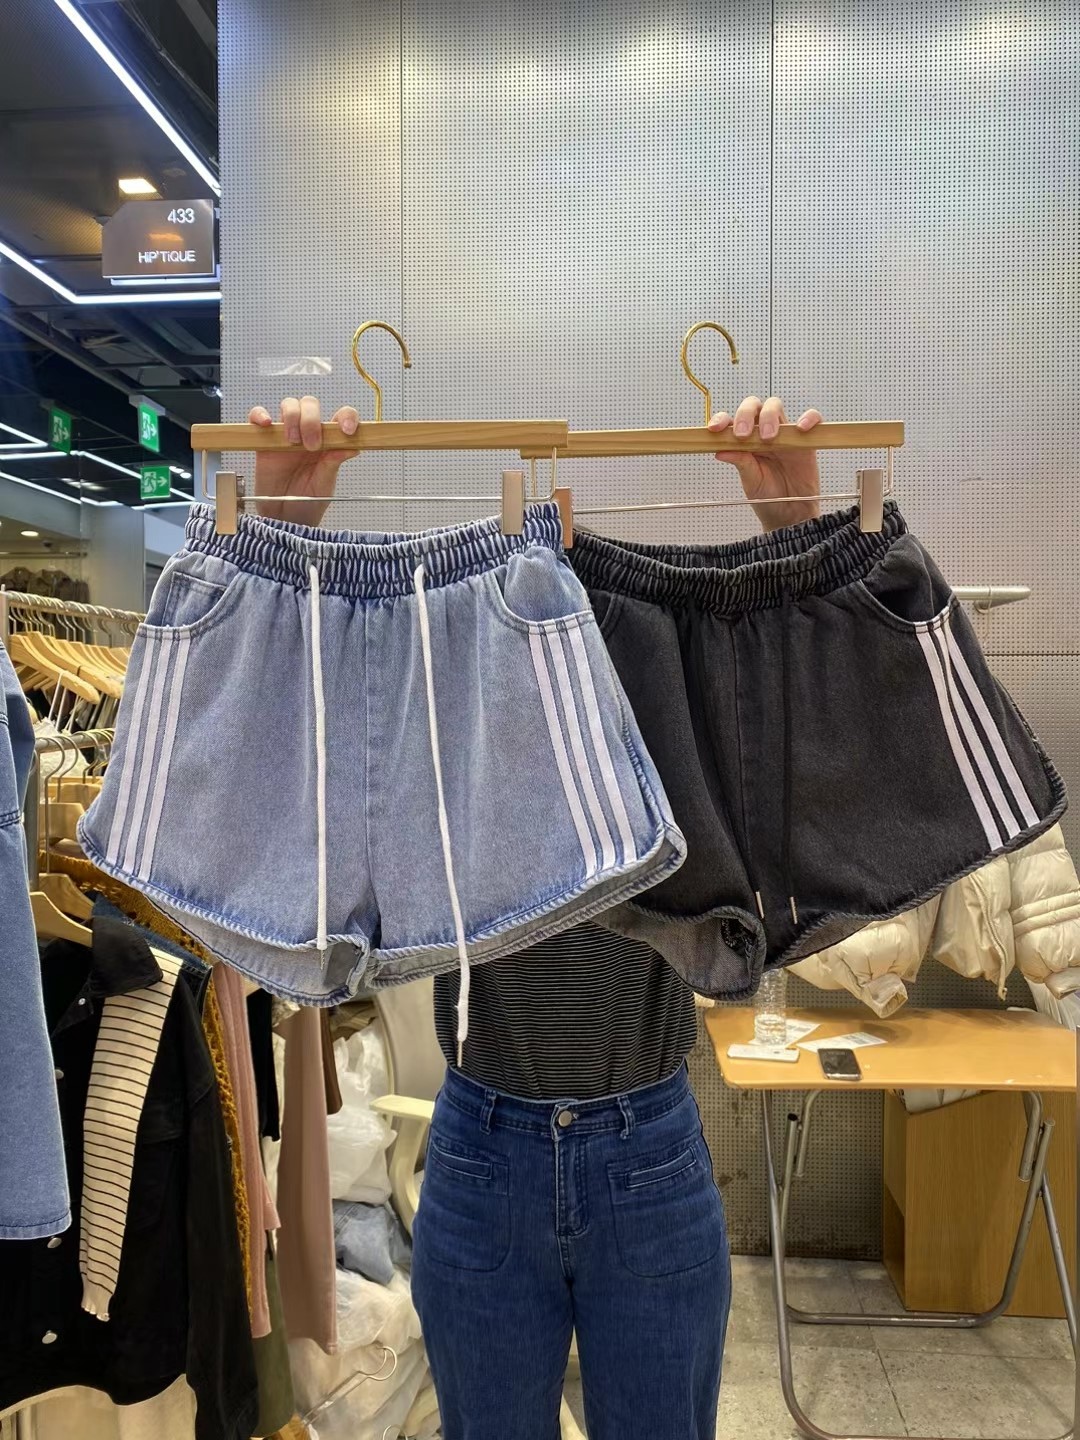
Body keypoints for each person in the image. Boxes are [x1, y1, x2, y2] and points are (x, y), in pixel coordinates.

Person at [247, 393, 823, 1439]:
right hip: (485, 1150)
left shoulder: (664, 698)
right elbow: (308, 749)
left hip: (645, 1151)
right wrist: (286, 531)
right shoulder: (451, 707)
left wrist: (796, 531)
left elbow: (801, 734)